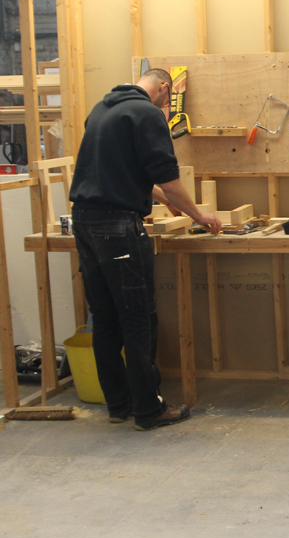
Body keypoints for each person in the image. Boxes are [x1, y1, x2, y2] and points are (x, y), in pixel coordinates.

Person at [69, 69, 222, 431]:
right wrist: (198, 215)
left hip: (85, 222)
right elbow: (168, 177)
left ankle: (119, 404)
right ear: (164, 88)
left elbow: (122, 171)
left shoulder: (101, 110)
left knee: (105, 316)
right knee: (138, 317)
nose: (167, 106)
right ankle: (149, 409)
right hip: (118, 228)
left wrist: (166, 200)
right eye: (168, 100)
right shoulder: (147, 113)